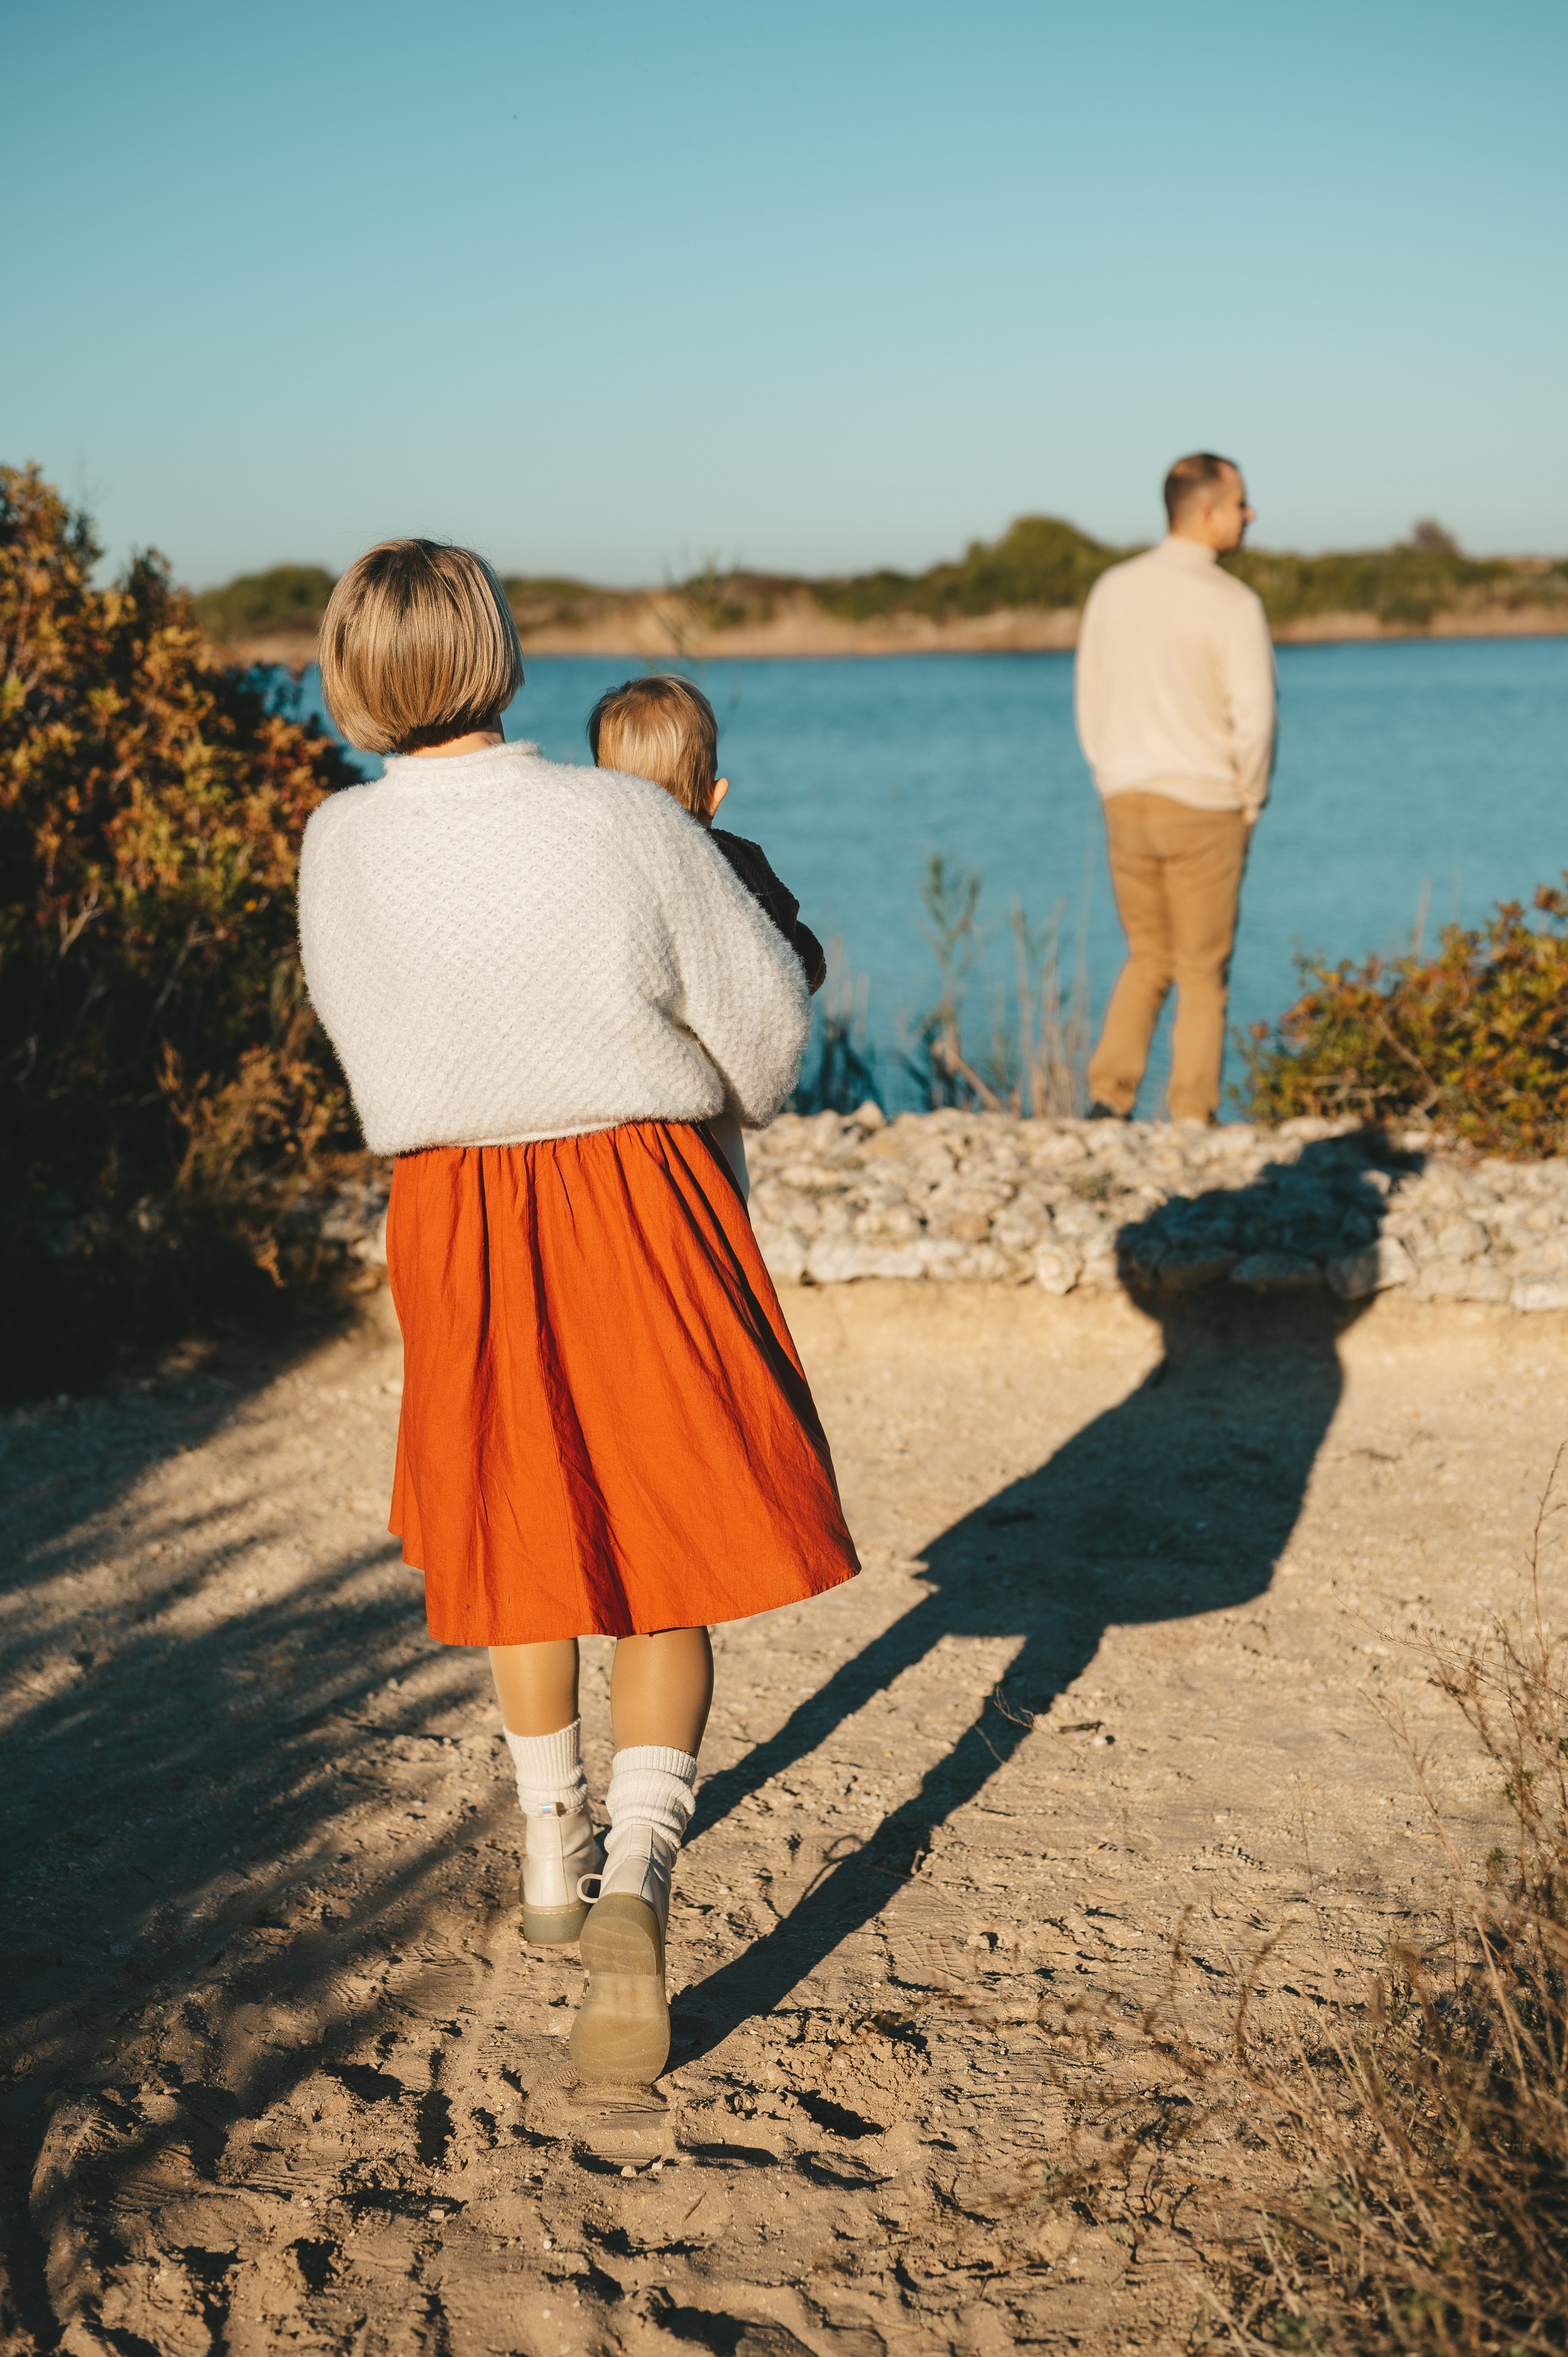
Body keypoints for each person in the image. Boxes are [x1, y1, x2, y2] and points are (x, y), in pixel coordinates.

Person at [298, 540, 859, 2086]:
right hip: (639, 1186)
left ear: (349, 669)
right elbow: (760, 1019)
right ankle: (635, 1876)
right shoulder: (617, 814)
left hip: (454, 1208)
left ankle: (547, 1852)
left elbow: (366, 1037)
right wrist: (711, 1114)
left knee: (513, 1522)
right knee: (663, 1534)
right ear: (497, 647)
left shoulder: (335, 842)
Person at [1075, 451, 1276, 1123]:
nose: (1251, 514)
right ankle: (1191, 1114)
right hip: (1206, 802)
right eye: (1242, 502)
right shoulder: (1233, 602)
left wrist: (1110, 773)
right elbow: (1255, 718)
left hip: (1125, 797)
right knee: (1200, 969)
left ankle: (1108, 1097)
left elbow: (1089, 698)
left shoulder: (1114, 587)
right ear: (1210, 512)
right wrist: (1250, 798)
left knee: (1147, 955)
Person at [587, 671, 826, 1201]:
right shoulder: (735, 863)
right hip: (708, 1109)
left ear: (599, 788)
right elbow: (794, 956)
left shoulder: (590, 868)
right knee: (721, 1229)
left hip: (611, 1114)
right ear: (714, 795)